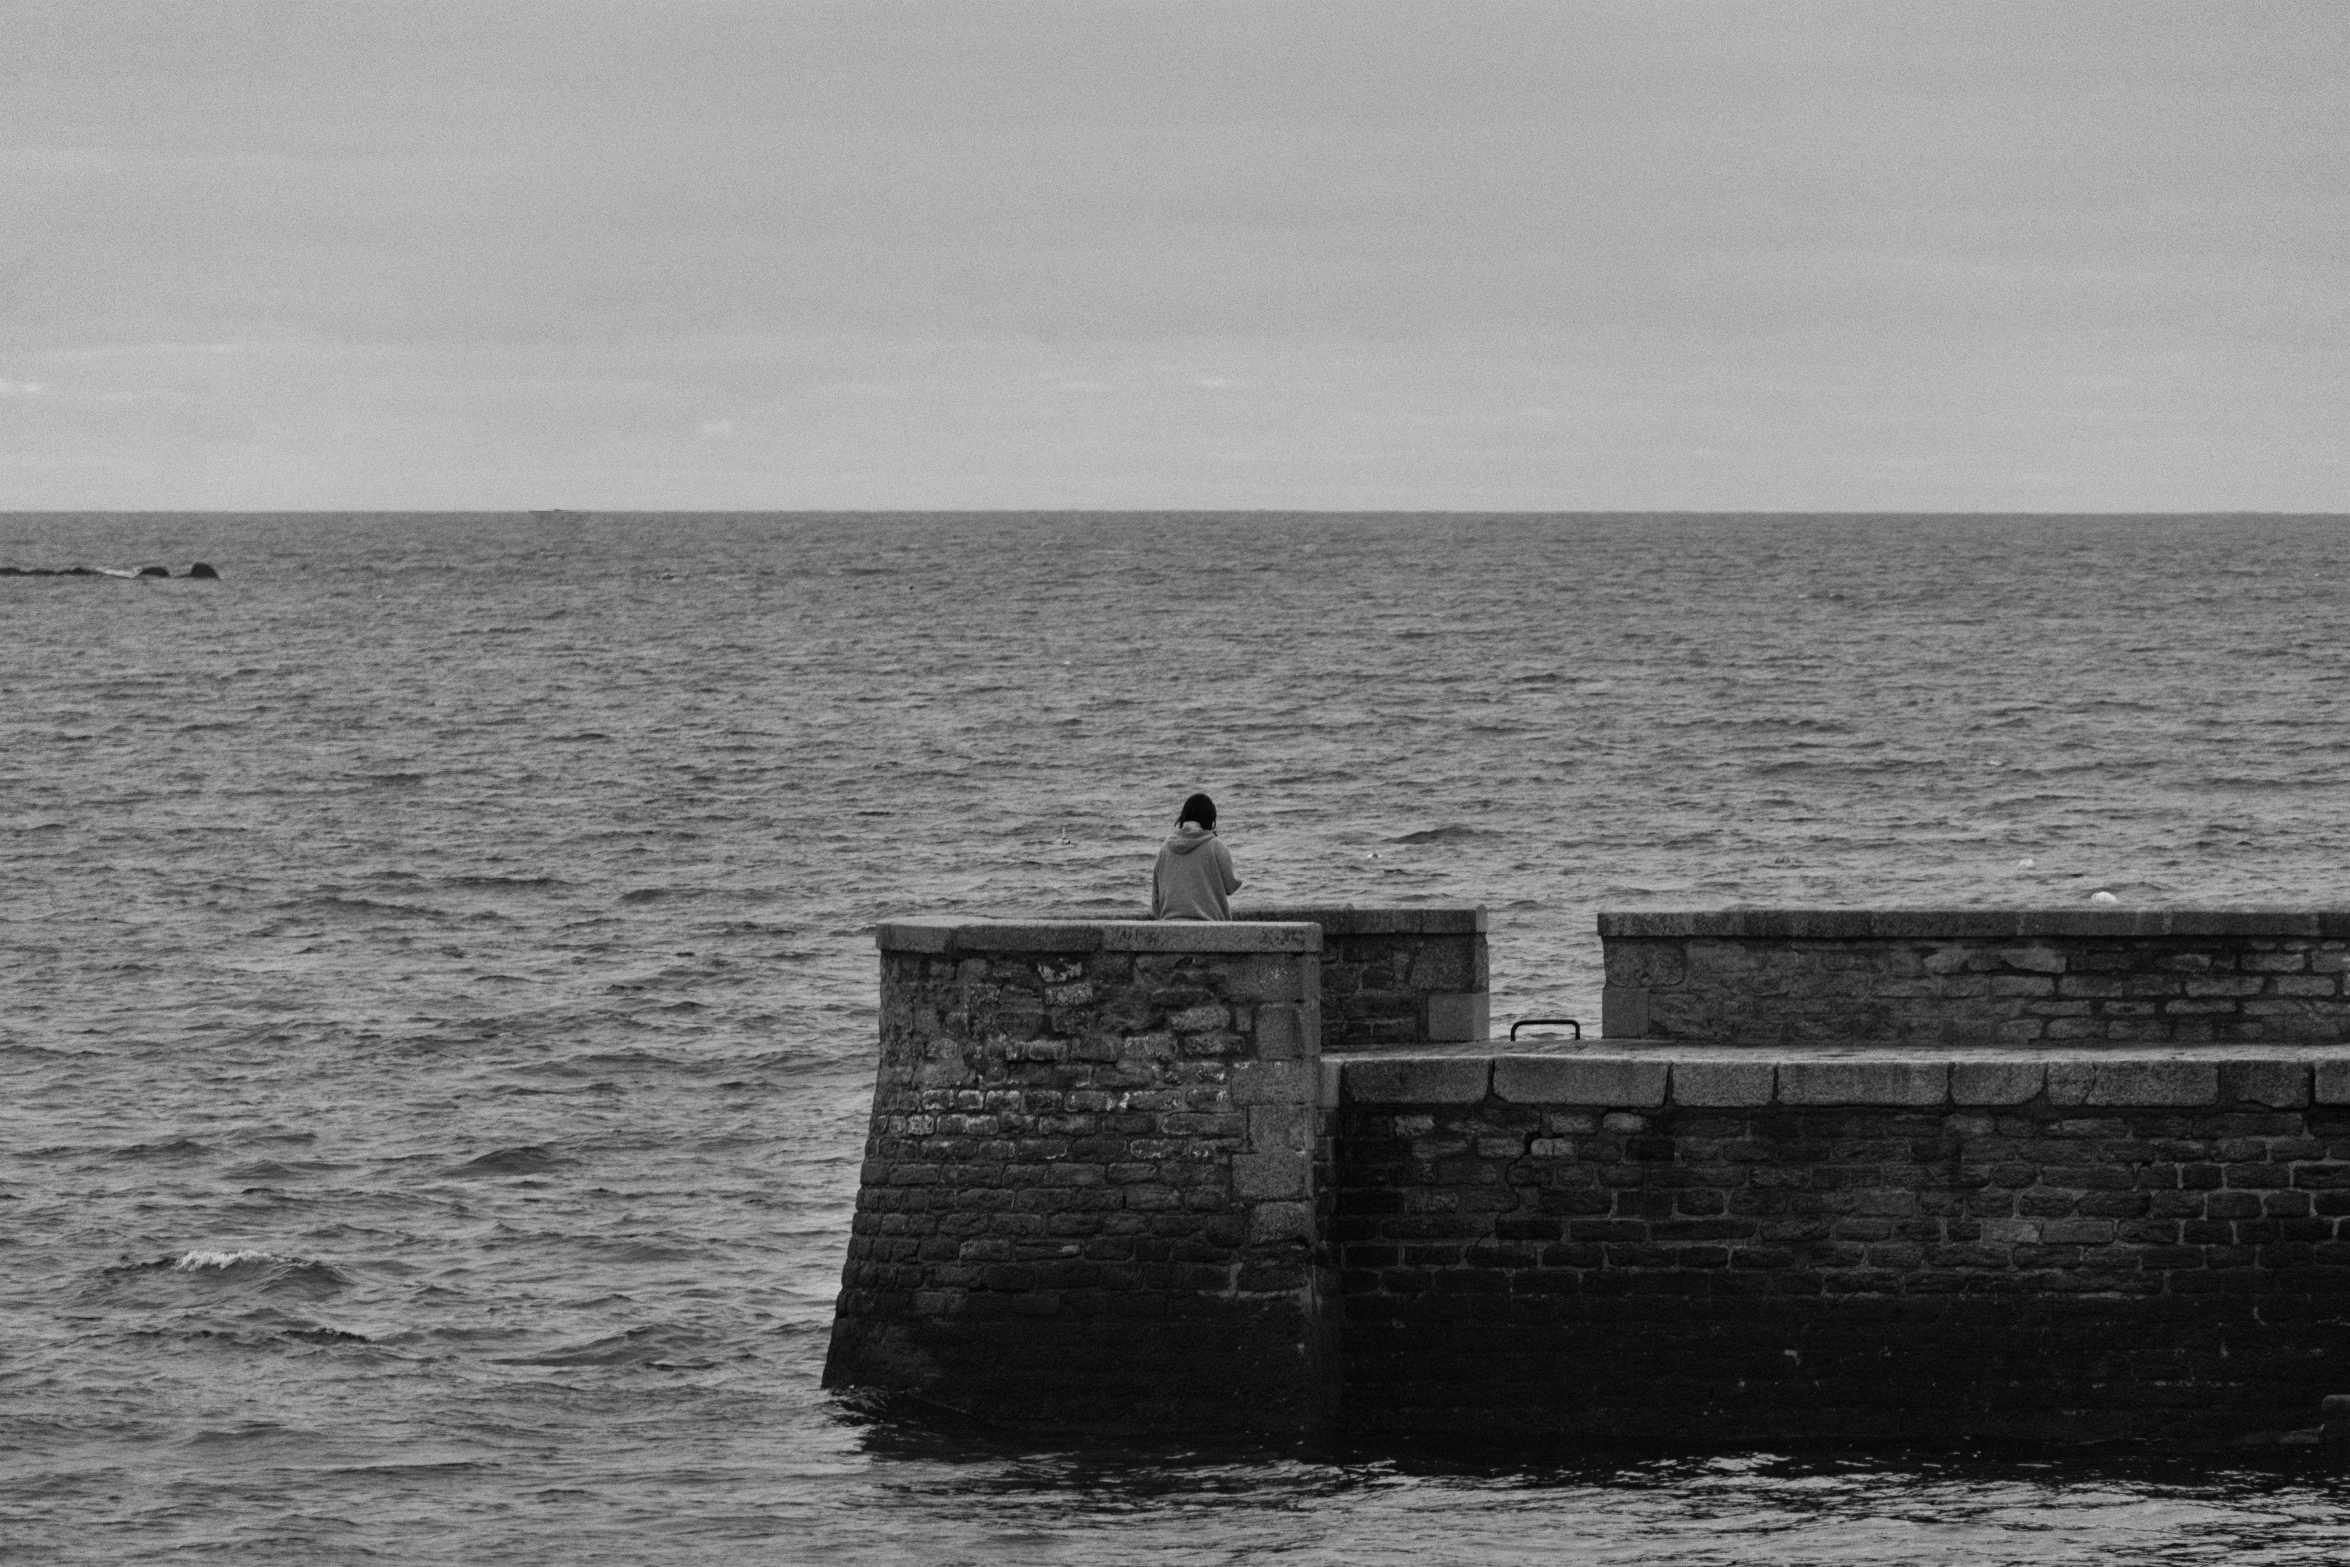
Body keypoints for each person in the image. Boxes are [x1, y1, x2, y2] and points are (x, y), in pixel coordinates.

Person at [1151, 792, 1242, 921]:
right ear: (1211, 820)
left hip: (1169, 926)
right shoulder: (1215, 845)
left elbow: (1155, 899)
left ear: (1183, 817)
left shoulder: (1165, 847)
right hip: (1211, 928)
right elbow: (1231, 886)